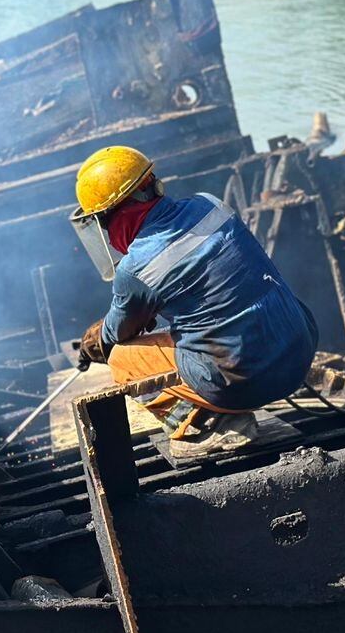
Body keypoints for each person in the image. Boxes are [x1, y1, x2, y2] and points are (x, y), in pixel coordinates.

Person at [69, 145, 318, 458]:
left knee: (122, 359)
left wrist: (97, 340)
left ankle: (210, 426)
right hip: (301, 351)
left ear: (111, 215)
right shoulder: (210, 205)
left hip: (250, 383)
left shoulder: (135, 269)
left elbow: (115, 335)